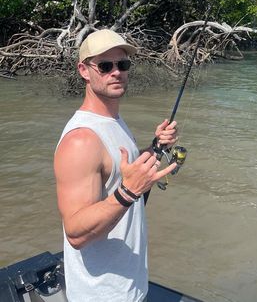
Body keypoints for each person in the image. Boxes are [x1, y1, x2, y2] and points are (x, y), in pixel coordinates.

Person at [54, 29, 178, 302]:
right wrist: (128, 192)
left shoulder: (113, 121)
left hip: (130, 285)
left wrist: (156, 148)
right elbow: (75, 233)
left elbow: (120, 171)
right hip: (102, 294)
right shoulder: (81, 141)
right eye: (105, 66)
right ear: (84, 71)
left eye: (123, 64)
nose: (116, 72)